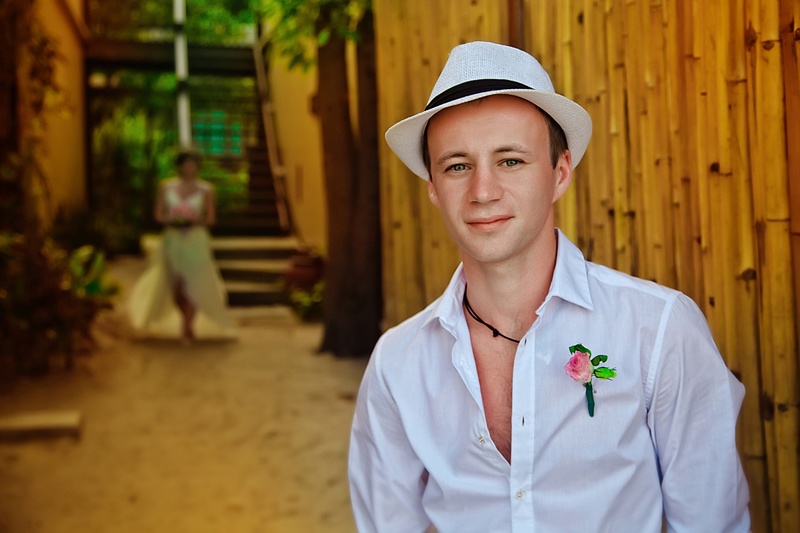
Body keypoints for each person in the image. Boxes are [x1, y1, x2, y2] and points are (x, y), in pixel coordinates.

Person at [348, 41, 750, 532]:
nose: (482, 191)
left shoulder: (659, 330)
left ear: (560, 174)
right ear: (433, 187)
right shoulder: (397, 363)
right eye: (457, 166)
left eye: (510, 161)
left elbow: (711, 522)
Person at [128, 147, 236, 342]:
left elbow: (210, 218)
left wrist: (193, 221)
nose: (189, 167)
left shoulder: (205, 189)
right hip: (173, 240)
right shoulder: (167, 187)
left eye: (192, 164)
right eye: (186, 164)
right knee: (175, 283)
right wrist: (174, 220)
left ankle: (187, 325)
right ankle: (184, 320)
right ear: (179, 166)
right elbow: (158, 214)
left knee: (195, 282)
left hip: (195, 240)